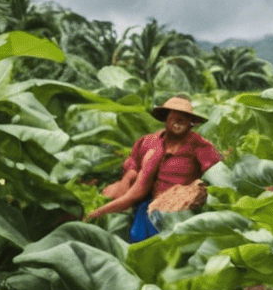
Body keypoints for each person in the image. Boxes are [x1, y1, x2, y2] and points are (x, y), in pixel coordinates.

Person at [86, 96, 221, 242]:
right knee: (137, 237)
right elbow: (133, 163)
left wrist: (198, 193)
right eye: (173, 116)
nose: (178, 121)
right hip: (150, 203)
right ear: (165, 119)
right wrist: (128, 177)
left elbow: (217, 176)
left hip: (181, 209)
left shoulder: (200, 146)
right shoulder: (150, 142)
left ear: (191, 123)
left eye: (184, 118)